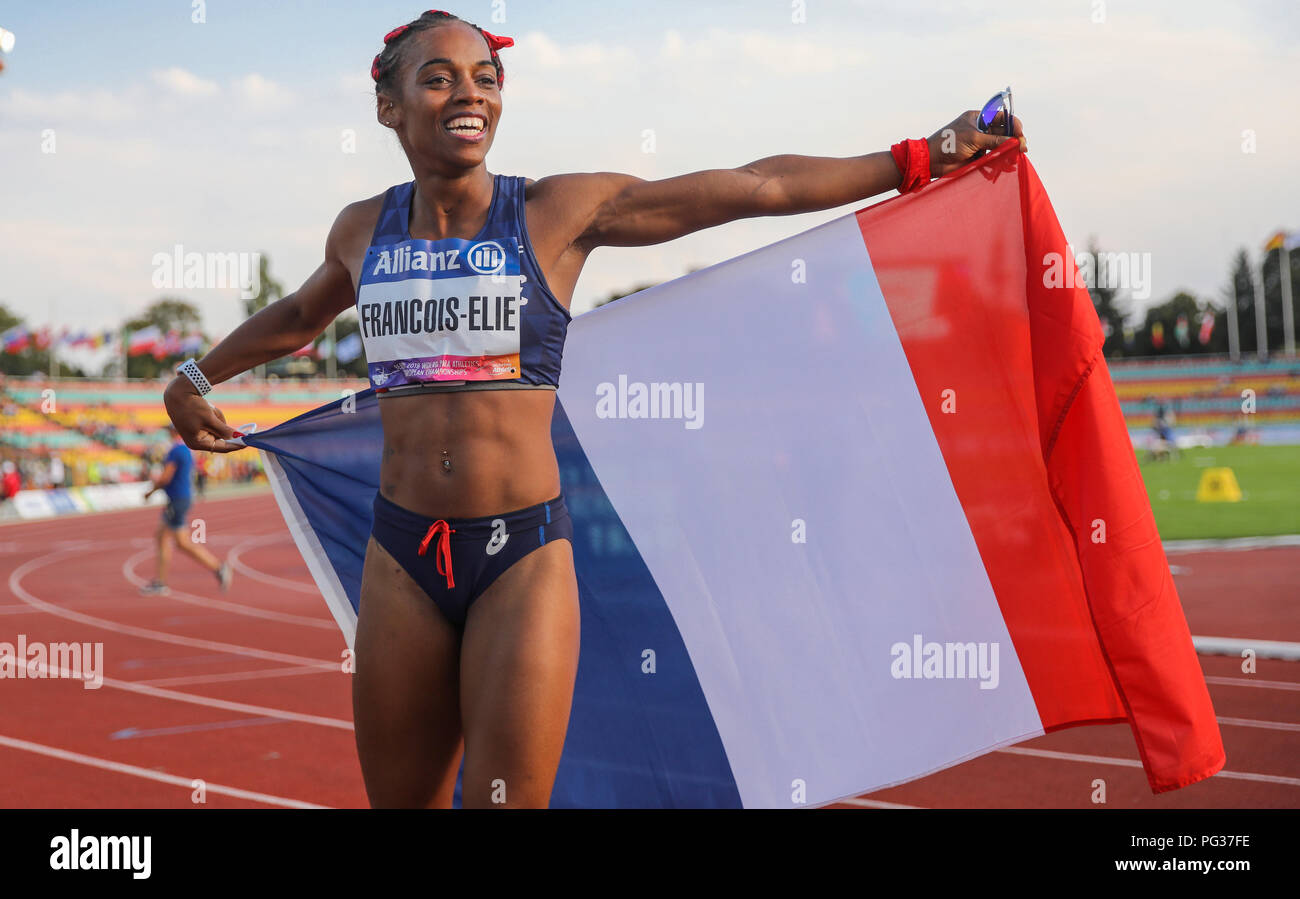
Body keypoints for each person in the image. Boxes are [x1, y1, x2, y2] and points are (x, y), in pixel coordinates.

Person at [163, 8, 1027, 808]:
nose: (469, 92)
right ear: (388, 105)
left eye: (485, 77)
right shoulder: (361, 230)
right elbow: (301, 314)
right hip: (402, 560)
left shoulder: (553, 212)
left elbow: (752, 186)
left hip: (519, 561)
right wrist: (197, 375)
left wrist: (918, 157)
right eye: (439, 77)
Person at [140, 423, 232, 595]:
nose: (168, 434)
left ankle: (218, 567)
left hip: (177, 499)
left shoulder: (176, 450)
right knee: (162, 537)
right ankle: (160, 582)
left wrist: (150, 491)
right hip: (181, 498)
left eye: (169, 431)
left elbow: (166, 477)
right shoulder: (186, 449)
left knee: (181, 542)